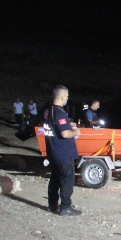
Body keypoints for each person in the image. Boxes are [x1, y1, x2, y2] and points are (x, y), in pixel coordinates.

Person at [43, 86, 82, 216]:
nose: (67, 99)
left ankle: (52, 205)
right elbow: (65, 134)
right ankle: (65, 207)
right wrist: (75, 131)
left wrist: (67, 125)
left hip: (53, 152)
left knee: (55, 179)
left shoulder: (48, 111)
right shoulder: (60, 112)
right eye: (67, 96)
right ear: (63, 97)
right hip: (63, 153)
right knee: (67, 180)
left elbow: (55, 128)